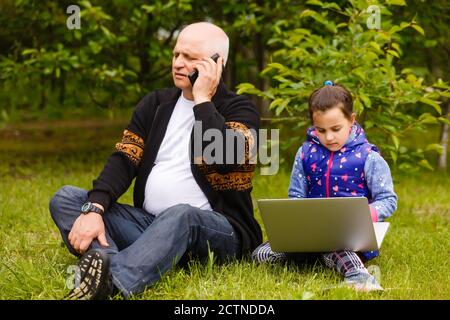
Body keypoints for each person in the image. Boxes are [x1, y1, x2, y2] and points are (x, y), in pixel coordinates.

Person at [49, 22, 262, 300]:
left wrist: (202, 101)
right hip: (149, 226)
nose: (178, 63)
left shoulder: (241, 108)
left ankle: (111, 281)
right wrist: (95, 208)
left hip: (216, 232)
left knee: (182, 214)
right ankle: (105, 265)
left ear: (216, 63)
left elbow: (226, 159)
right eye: (176, 55)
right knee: (67, 198)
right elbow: (124, 159)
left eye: (189, 57)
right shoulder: (156, 104)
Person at [252, 81, 397, 292]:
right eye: (321, 130)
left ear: (352, 120)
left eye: (336, 129)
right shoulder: (305, 154)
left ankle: (360, 277)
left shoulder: (369, 157)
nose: (329, 137)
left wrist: (368, 213)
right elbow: (296, 197)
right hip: (309, 236)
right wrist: (295, 228)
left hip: (347, 239)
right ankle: (312, 257)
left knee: (338, 248)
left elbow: (389, 200)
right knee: (262, 254)